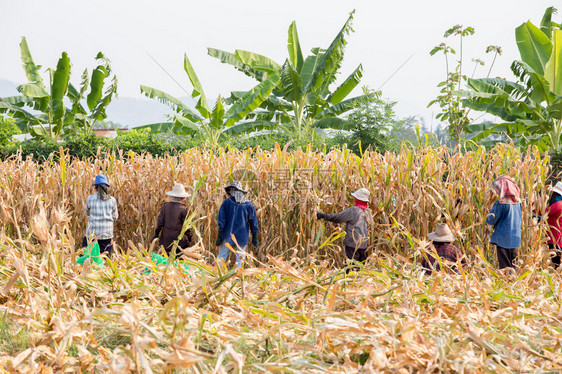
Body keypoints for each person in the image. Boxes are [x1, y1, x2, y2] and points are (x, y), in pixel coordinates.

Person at [316, 188, 372, 268]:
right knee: (361, 266)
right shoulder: (367, 211)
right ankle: (359, 279)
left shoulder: (354, 210)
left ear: (357, 199)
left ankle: (351, 279)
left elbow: (339, 217)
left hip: (353, 243)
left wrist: (323, 216)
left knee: (351, 266)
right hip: (363, 243)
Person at [216, 181, 259, 267]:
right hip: (242, 237)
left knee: (221, 257)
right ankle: (238, 278)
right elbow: (253, 222)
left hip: (228, 235)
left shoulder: (227, 203)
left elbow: (221, 221)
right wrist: (254, 237)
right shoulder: (248, 204)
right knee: (240, 260)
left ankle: (216, 275)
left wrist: (219, 236)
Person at [486, 175, 522, 269]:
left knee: (505, 267)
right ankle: (515, 282)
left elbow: (491, 220)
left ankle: (506, 282)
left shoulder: (501, 203)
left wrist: (487, 214)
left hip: (503, 239)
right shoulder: (518, 202)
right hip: (515, 239)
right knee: (514, 265)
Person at [153, 183, 193, 257]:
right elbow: (187, 226)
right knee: (179, 264)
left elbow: (160, 223)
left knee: (166, 262)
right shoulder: (183, 209)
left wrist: (156, 234)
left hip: (166, 242)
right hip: (179, 243)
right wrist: (190, 238)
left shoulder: (165, 207)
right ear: (182, 198)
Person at [84, 174, 118, 256]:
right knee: (104, 257)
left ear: (95, 187)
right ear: (106, 187)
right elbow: (115, 216)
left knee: (88, 255)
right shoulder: (112, 200)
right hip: (107, 233)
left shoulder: (90, 199)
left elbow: (86, 212)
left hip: (92, 233)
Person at [544, 181, 562, 267]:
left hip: (556, 239)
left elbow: (543, 212)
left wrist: (532, 204)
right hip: (558, 238)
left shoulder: (558, 205)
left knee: (557, 263)